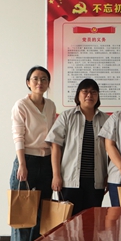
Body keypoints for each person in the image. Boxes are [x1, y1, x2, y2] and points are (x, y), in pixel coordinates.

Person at [46, 78, 108, 216]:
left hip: (96, 181)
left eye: (93, 92)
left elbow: (112, 149)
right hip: (70, 180)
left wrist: (108, 176)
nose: (89, 95)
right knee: (69, 221)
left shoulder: (106, 119)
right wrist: (56, 175)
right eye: (85, 91)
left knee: (92, 220)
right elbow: (55, 146)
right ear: (78, 95)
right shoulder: (67, 116)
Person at [10, 66, 56, 241]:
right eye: (35, 78)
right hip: (27, 159)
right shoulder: (21, 105)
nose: (40, 82)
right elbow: (18, 136)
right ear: (28, 83)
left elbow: (52, 136)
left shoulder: (50, 105)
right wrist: (22, 164)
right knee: (22, 212)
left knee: (43, 212)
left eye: (44, 79)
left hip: (46, 160)